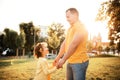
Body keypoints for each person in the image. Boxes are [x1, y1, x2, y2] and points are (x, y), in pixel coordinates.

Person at [53, 8, 89, 80]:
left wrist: (63, 60)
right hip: (70, 61)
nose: (67, 19)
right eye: (66, 17)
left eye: (68, 17)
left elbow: (74, 45)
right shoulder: (70, 28)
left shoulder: (81, 27)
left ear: (75, 15)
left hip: (79, 62)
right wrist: (58, 57)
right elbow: (64, 43)